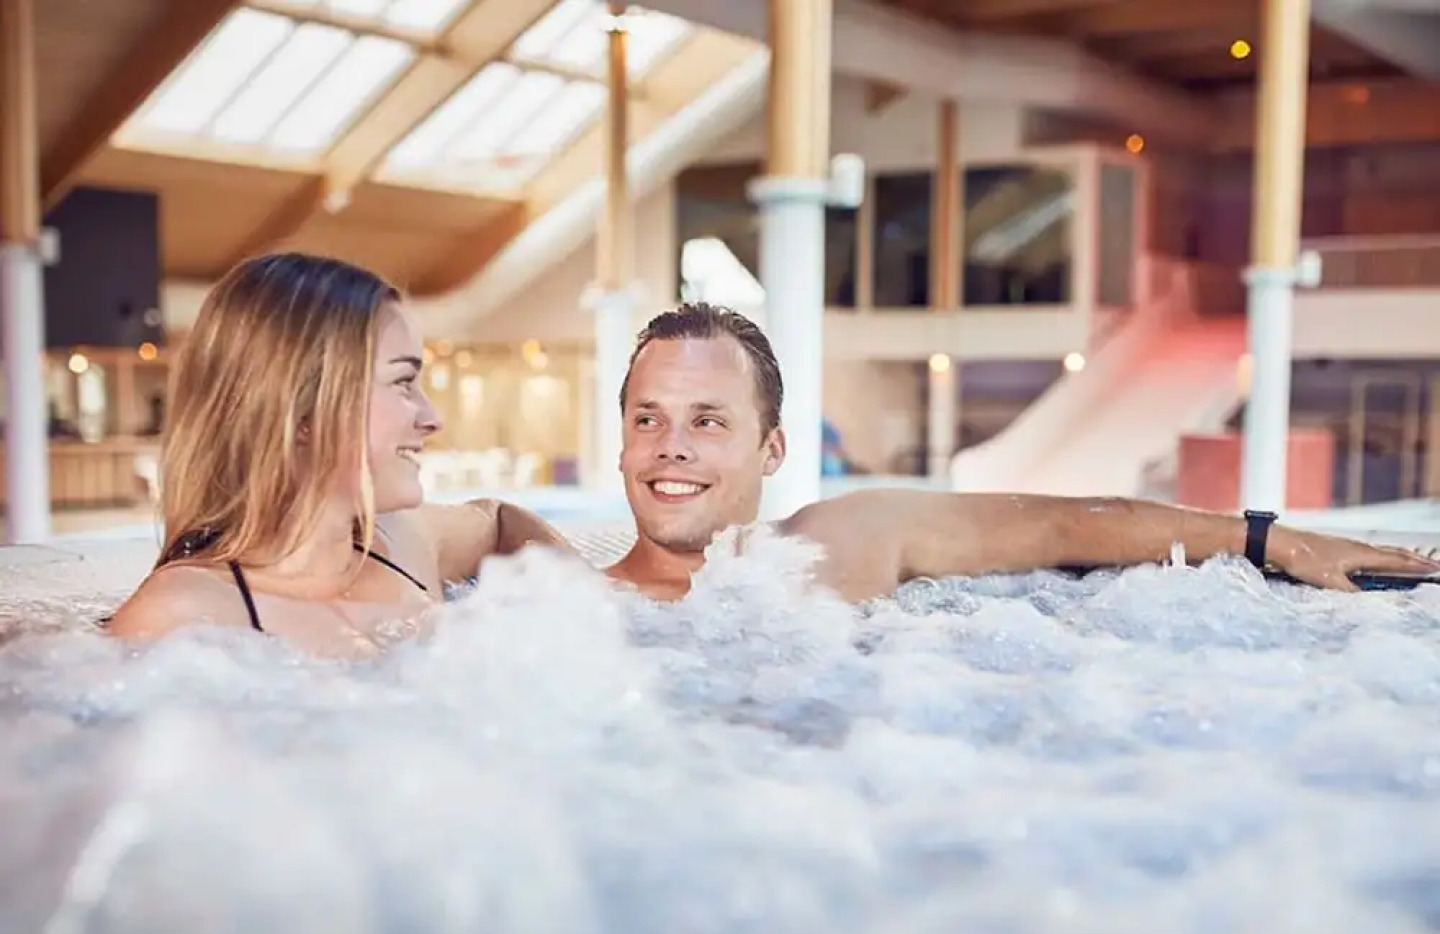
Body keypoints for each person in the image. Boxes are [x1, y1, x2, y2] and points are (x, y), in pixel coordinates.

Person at [604, 302, 1439, 603]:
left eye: (708, 421)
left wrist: (1272, 540)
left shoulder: (843, 542)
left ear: (772, 447)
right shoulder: (547, 591)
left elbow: (1061, 527)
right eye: (649, 419)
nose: (670, 449)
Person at [106, 252, 569, 658]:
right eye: (403, 383)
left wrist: (603, 605)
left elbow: (497, 520)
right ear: (303, 411)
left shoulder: (402, 543)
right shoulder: (184, 615)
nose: (432, 419)